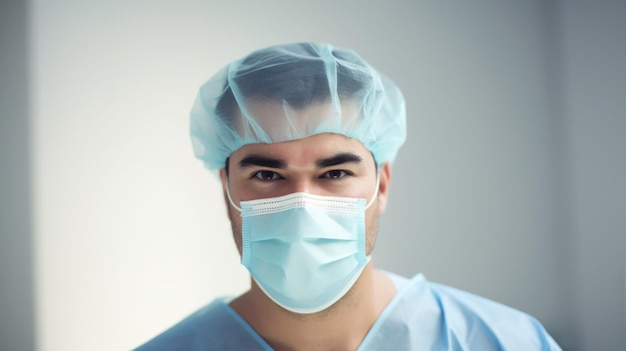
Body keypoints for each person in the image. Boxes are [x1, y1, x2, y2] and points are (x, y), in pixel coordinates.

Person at [135, 42, 561, 350]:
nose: (303, 203)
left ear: (382, 184)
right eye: (267, 174)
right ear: (226, 187)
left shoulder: (504, 341)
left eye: (335, 172)